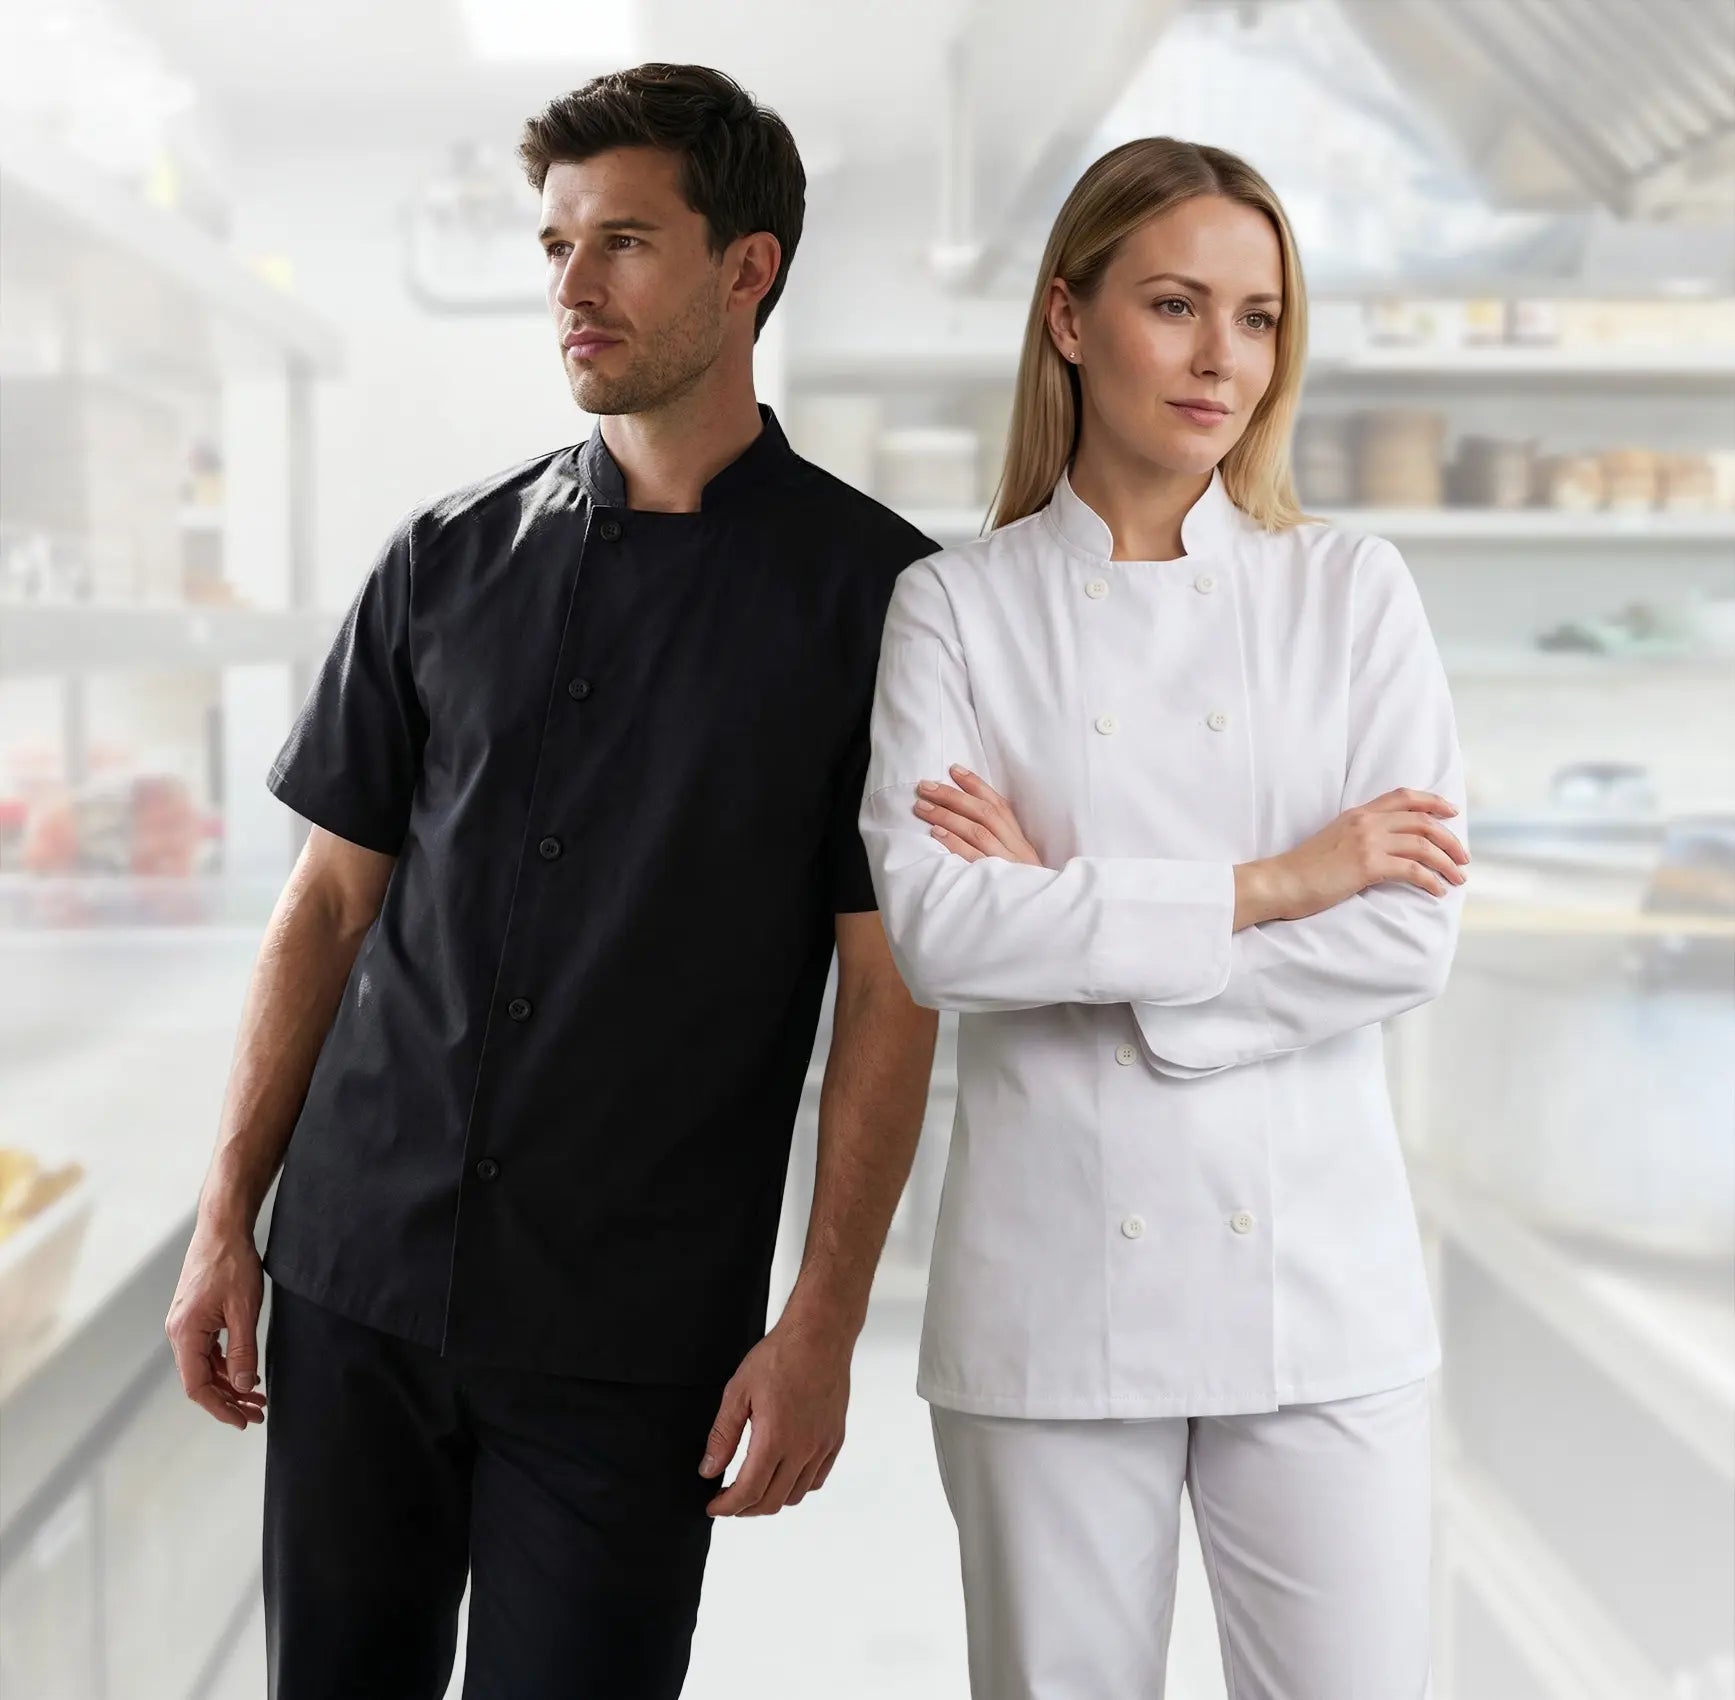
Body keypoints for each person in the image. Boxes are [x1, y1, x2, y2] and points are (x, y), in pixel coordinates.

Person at [164, 63, 940, 1699]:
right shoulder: (441, 559)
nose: (573, 288)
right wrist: (228, 1209)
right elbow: (326, 908)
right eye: (556, 243)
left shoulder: (884, 605)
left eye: (627, 242)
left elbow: (892, 985)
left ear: (750, 269)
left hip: (631, 1340)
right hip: (358, 1284)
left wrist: (822, 1325)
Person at [858, 136, 1470, 1700]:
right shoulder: (955, 605)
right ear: (1070, 318)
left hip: (1320, 1290)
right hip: (1054, 1294)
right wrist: (1276, 885)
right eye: (1178, 305)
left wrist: (1081, 939)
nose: (1224, 360)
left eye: (1259, 318)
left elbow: (1407, 934)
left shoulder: (1353, 593)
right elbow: (940, 934)